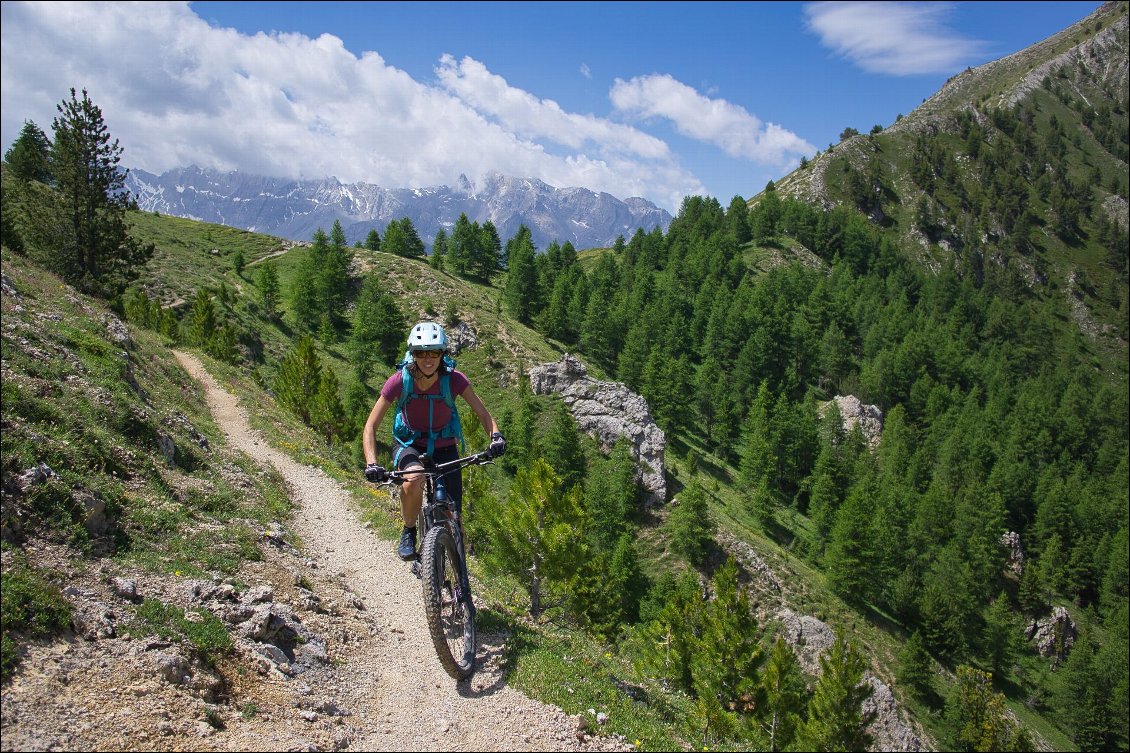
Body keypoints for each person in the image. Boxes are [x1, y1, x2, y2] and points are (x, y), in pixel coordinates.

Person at [362, 321, 505, 560]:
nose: (428, 359)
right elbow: (370, 426)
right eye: (421, 353)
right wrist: (372, 463)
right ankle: (409, 530)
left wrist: (496, 437)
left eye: (434, 352)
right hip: (409, 444)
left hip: (445, 445)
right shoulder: (399, 380)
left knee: (454, 519)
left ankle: (459, 581)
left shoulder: (455, 379)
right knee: (414, 477)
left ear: (442, 354)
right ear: (412, 354)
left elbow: (483, 414)